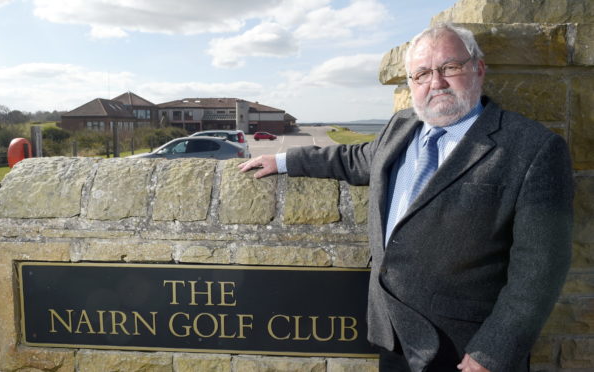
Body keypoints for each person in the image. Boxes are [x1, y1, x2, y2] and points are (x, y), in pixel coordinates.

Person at [239, 23, 573, 372]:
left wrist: (493, 352)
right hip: (392, 336)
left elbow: (540, 270)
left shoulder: (532, 148)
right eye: (422, 74)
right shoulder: (402, 126)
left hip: (464, 350)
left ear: (479, 68)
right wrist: (283, 160)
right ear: (411, 83)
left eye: (450, 68)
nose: (436, 82)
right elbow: (357, 158)